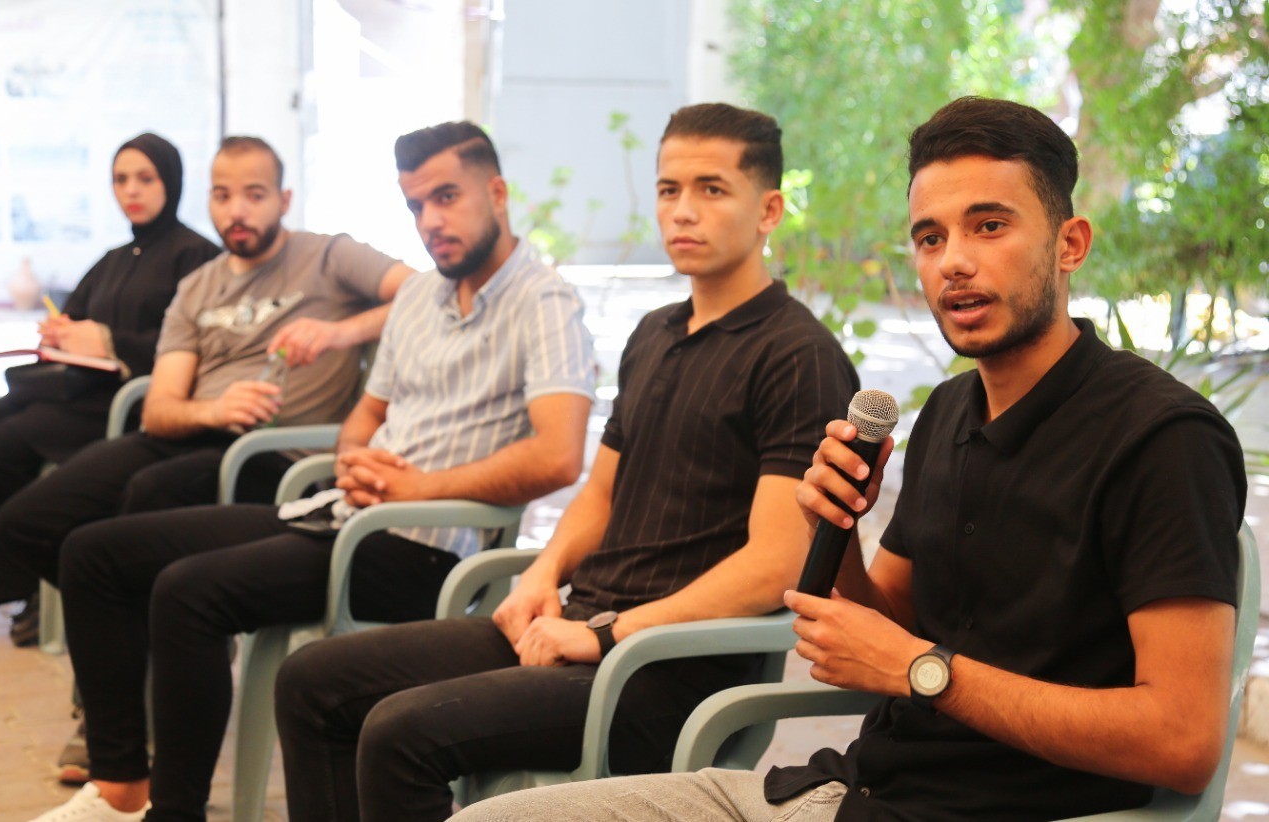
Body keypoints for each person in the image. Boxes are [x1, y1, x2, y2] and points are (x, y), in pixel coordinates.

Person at [450, 96, 1248, 822]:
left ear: (1070, 244)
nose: (954, 261)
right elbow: (889, 625)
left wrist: (924, 671)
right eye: (930, 237)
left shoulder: (1161, 438)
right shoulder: (949, 412)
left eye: (989, 226)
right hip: (847, 790)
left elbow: (1181, 740)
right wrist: (834, 531)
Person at [271, 102, 859, 822]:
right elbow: (599, 495)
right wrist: (541, 575)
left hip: (669, 670)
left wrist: (608, 634)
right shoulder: (656, 333)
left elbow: (777, 562)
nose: (682, 211)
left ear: (769, 210)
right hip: (583, 624)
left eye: (711, 189)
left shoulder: (799, 356)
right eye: (669, 189)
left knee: (401, 734)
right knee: (313, 681)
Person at [27, 121, 595, 822]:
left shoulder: (543, 301)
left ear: (498, 193)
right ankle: (121, 787)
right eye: (415, 205)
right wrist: (356, 460)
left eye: (446, 197)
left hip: (421, 550)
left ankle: (172, 812)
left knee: (187, 592)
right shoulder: (421, 297)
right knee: (97, 553)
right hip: (341, 515)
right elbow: (366, 416)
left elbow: (557, 455)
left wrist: (413, 488)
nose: (430, 221)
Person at [0, 134, 411, 787]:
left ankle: (125, 727)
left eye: (254, 194)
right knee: (28, 522)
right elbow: (161, 408)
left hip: (275, 456)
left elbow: (423, 294)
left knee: (146, 501)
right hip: (195, 431)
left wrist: (339, 331)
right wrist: (211, 409)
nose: (236, 210)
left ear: (284, 199)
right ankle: (130, 671)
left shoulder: (329, 256)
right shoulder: (198, 285)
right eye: (223, 195)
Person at [0, 133, 219, 644]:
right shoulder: (114, 257)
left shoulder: (197, 256)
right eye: (121, 180)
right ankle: (24, 580)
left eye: (145, 178)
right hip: (78, 393)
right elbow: (76, 317)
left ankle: (25, 579)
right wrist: (62, 333)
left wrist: (111, 343)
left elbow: (195, 345)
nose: (131, 191)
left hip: (124, 404)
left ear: (172, 181)